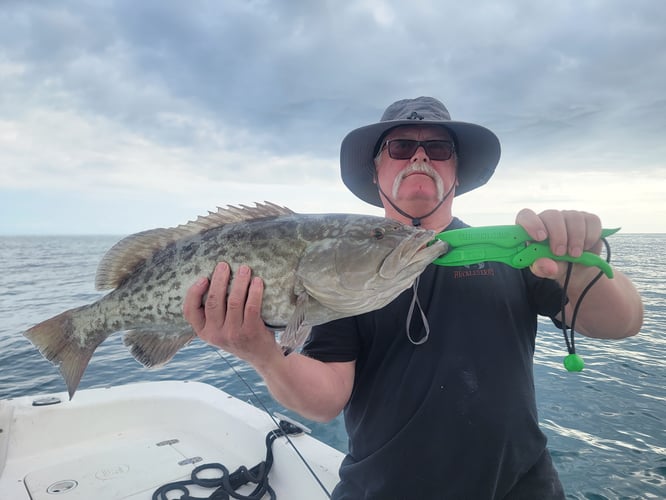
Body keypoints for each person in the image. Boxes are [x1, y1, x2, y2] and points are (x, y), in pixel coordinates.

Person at [183, 97, 643, 499]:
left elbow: (623, 323)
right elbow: (325, 401)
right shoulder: (336, 273)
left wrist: (580, 266)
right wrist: (263, 354)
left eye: (439, 149)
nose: (419, 158)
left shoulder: (515, 251)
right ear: (377, 170)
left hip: (522, 488)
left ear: (457, 172)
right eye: (400, 148)